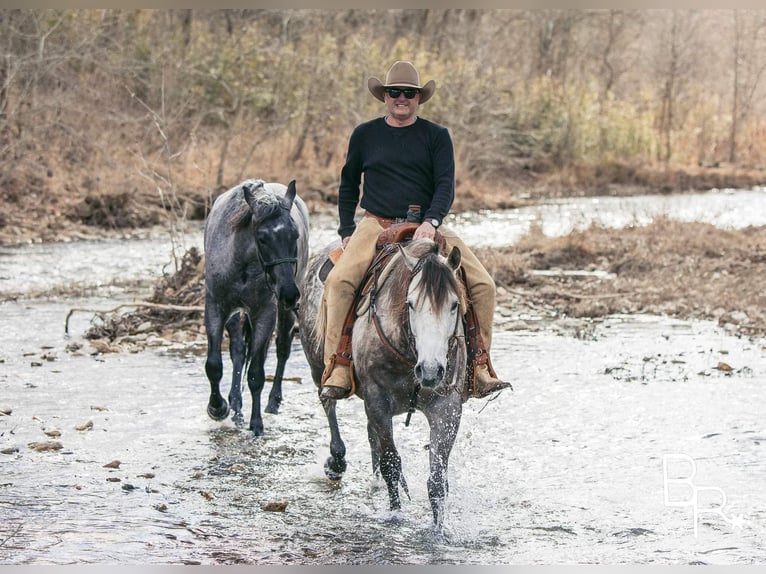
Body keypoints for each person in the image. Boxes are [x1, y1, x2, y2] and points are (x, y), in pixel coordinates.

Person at [319, 60, 511, 401]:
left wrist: (431, 222)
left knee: (484, 285)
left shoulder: (437, 136)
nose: (401, 98)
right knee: (339, 281)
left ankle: (480, 366)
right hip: (376, 223)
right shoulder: (365, 134)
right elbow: (348, 184)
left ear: (419, 98)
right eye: (395, 93)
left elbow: (444, 186)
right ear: (385, 97)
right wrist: (346, 228)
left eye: (409, 93)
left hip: (426, 225)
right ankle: (339, 365)